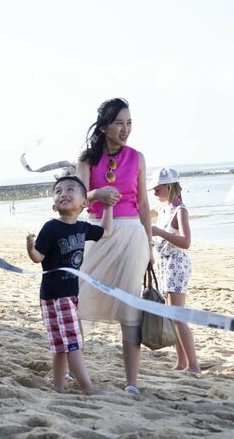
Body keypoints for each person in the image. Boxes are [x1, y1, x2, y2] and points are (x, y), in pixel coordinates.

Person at [76, 97, 152, 396]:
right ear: (105, 125)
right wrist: (98, 192)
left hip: (133, 236)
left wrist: (150, 245)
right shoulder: (86, 159)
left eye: (129, 123)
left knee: (130, 309)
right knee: (78, 302)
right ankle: (74, 369)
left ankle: (132, 382)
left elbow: (144, 204)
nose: (125, 129)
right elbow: (80, 199)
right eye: (119, 123)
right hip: (97, 235)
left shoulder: (138, 157)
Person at [26, 175, 113, 395]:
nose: (64, 193)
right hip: (55, 296)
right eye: (58, 191)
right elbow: (38, 257)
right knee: (72, 343)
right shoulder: (51, 227)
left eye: (70, 189)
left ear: (84, 203)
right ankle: (87, 387)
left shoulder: (83, 228)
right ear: (54, 206)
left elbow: (107, 232)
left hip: (69, 294)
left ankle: (58, 386)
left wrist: (108, 206)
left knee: (60, 346)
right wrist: (30, 247)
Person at [149, 167, 201, 373]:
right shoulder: (163, 208)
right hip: (165, 263)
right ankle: (181, 362)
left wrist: (159, 231)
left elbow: (186, 241)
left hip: (176, 263)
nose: (154, 192)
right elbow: (142, 211)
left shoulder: (180, 210)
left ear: (168, 187)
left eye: (157, 188)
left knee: (178, 316)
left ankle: (194, 365)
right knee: (172, 317)